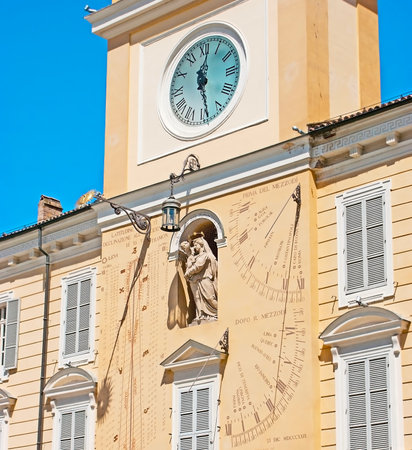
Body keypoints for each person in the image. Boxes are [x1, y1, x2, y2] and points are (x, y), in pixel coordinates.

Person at [184, 235, 218, 321]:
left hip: (205, 279)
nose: (194, 247)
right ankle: (200, 315)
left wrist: (188, 272)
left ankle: (218, 312)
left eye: (196, 245)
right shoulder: (194, 257)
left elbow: (198, 266)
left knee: (210, 298)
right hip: (197, 281)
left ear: (201, 245)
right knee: (197, 298)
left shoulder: (205, 255)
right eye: (194, 245)